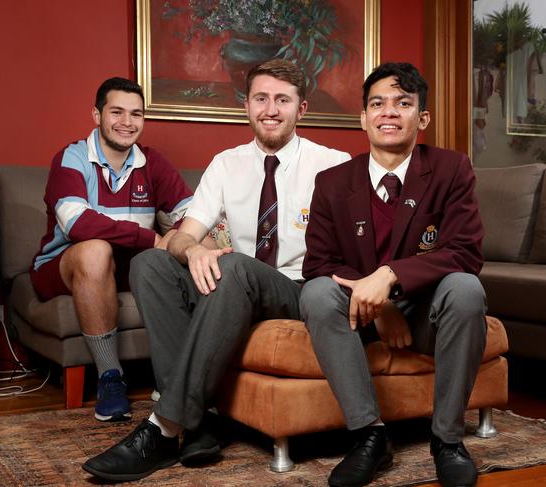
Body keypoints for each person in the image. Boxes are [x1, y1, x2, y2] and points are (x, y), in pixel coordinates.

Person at [82, 59, 351, 481]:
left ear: (302, 110)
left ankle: (165, 426)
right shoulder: (227, 163)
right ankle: (201, 426)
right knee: (152, 261)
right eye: (261, 98)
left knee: (237, 266)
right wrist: (192, 252)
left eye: (283, 100)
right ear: (246, 105)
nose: (270, 109)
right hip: (237, 289)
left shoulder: (333, 164)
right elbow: (183, 234)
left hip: (299, 291)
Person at [300, 62, 486, 487]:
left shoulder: (451, 169)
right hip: (358, 317)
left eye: (403, 103)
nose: (389, 112)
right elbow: (320, 265)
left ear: (422, 118)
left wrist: (390, 275)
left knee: (466, 287)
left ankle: (448, 441)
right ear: (363, 118)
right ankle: (370, 436)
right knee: (314, 293)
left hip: (425, 312)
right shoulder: (331, 182)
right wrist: (379, 305)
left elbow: (465, 252)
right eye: (377, 104)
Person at [30, 77, 193, 422]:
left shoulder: (152, 162)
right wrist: (151, 239)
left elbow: (194, 215)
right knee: (95, 249)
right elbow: (77, 224)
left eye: (136, 114)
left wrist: (185, 239)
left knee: (201, 243)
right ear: (97, 115)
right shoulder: (71, 158)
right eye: (116, 112)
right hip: (64, 267)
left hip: (130, 270)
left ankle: (183, 378)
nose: (127, 122)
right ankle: (110, 378)